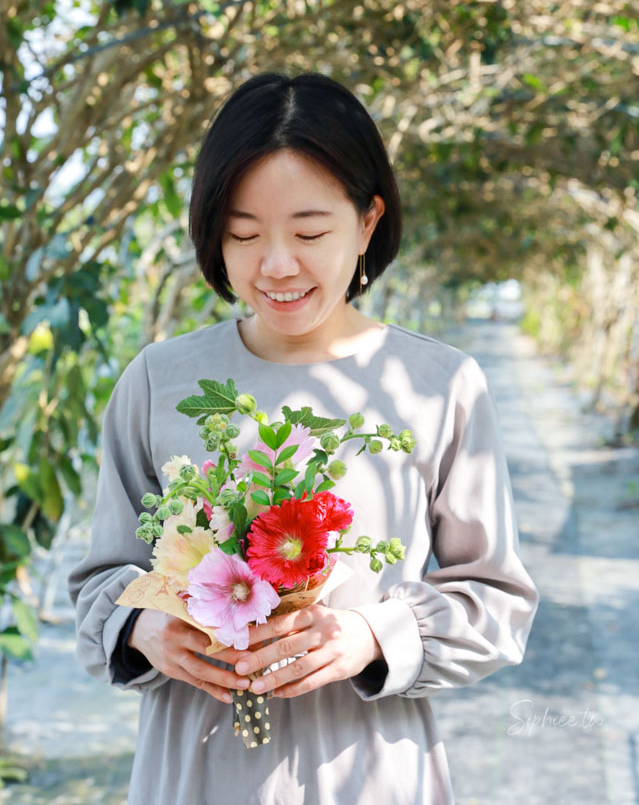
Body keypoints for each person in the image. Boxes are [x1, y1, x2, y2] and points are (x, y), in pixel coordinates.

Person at [68, 71, 539, 805]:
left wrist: (371, 635)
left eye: (310, 232)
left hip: (367, 771)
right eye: (243, 234)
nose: (277, 264)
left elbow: (497, 599)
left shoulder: (438, 384)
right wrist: (140, 627)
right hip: (193, 772)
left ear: (368, 220)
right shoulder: (160, 379)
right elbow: (100, 580)